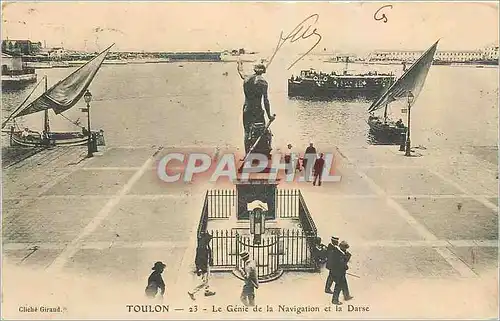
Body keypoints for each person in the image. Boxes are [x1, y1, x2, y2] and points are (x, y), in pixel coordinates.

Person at [237, 61, 275, 153]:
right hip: (257, 110)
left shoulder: (246, 78)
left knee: (247, 132)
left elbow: (240, 72)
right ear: (263, 71)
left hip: (246, 108)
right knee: (261, 130)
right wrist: (269, 115)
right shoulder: (263, 82)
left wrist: (239, 64)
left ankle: (247, 153)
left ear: (255, 70)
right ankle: (261, 151)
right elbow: (265, 101)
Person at [188, 232, 216, 300]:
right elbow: (198, 258)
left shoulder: (206, 245)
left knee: (207, 279)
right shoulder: (201, 247)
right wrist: (199, 268)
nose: (210, 240)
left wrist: (210, 261)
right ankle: (192, 292)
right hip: (203, 266)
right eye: (209, 239)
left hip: (206, 264)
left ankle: (207, 291)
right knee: (204, 281)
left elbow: (209, 253)